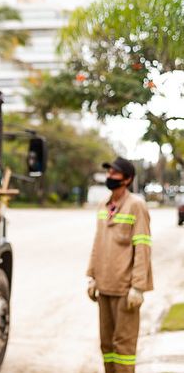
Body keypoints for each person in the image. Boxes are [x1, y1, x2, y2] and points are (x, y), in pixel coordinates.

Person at [87, 157, 152, 373]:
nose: (110, 177)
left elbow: (142, 247)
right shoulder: (104, 205)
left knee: (123, 346)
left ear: (127, 179)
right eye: (109, 173)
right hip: (105, 286)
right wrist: (92, 276)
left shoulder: (136, 206)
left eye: (115, 174)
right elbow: (98, 242)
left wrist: (138, 287)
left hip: (126, 289)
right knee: (107, 345)